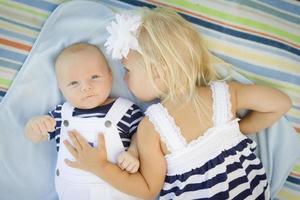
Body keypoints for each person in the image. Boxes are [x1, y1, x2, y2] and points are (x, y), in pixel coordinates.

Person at [63, 8, 292, 200]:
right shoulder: (223, 95)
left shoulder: (152, 128)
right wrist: (243, 128)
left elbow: (146, 190)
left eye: (128, 70)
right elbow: (281, 103)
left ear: (158, 71)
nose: (123, 79)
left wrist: (99, 167)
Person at [24, 43, 144, 200]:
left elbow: (143, 135)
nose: (86, 87)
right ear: (61, 88)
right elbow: (35, 137)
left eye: (94, 77)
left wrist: (133, 153)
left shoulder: (126, 110)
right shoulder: (61, 114)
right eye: (74, 83)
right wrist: (34, 126)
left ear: (110, 75)